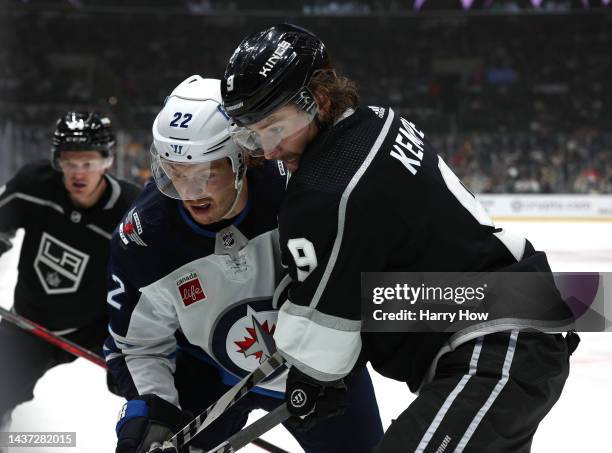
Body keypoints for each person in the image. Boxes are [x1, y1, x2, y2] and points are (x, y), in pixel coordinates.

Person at [221, 24, 580, 453]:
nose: (268, 149)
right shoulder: (374, 120)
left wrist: (311, 380)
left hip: (499, 344)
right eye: (253, 135)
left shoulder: (326, 191)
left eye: (274, 128)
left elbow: (324, 345)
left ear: (318, 99)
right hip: (513, 327)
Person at [106, 75, 383, 453]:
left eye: (205, 173)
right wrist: (151, 409)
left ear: (242, 158)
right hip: (206, 377)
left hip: (320, 368)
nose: (190, 192)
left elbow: (360, 282)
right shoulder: (144, 237)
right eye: (175, 172)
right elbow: (137, 346)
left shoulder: (300, 189)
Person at [0, 112, 141, 445]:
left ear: (107, 161)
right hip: (32, 321)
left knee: (151, 386)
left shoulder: (132, 210)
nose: (79, 172)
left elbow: (153, 275)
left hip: (102, 327)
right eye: (69, 162)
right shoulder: (34, 185)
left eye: (88, 162)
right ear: (57, 161)